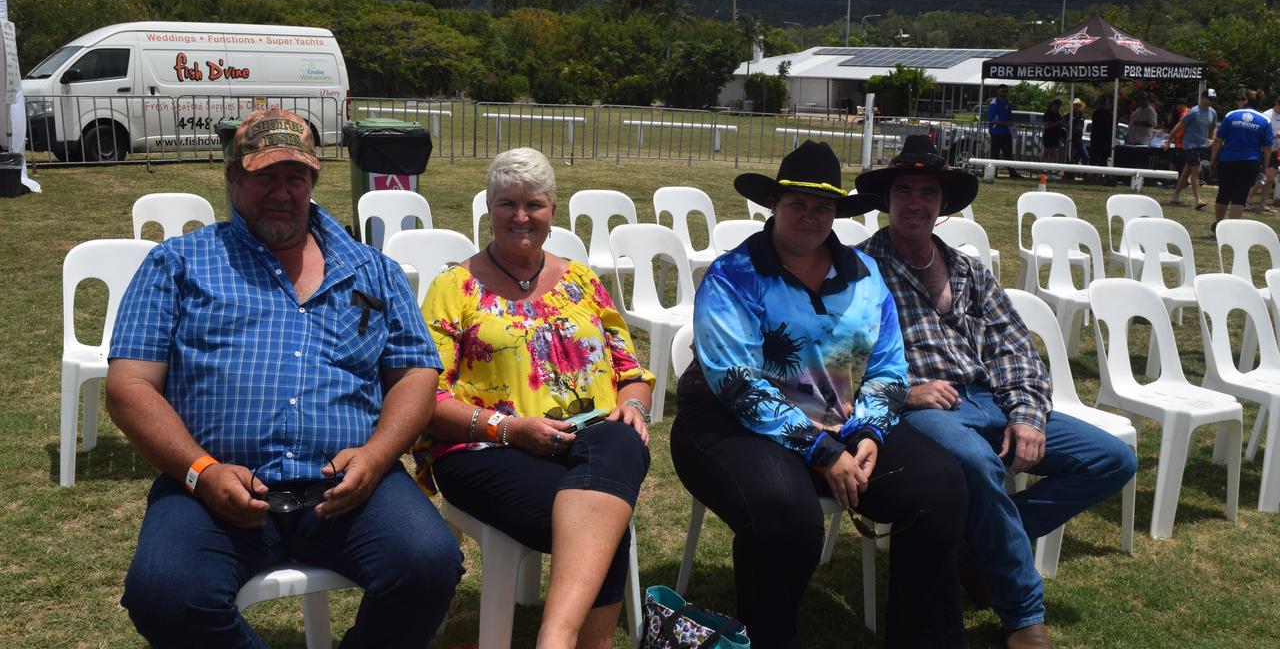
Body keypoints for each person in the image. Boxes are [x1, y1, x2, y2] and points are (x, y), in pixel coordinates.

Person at [105, 109, 463, 648]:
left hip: (348, 483)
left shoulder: (373, 270)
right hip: (216, 482)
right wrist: (200, 470)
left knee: (430, 564)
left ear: (313, 180)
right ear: (233, 178)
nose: (281, 192)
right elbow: (129, 386)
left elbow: (415, 372)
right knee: (165, 591)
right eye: (264, 176)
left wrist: (377, 456)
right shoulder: (178, 263)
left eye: (294, 177)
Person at [670, 140, 969, 649]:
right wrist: (821, 448)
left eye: (823, 207)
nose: (810, 217)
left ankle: (924, 639)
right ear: (775, 206)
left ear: (836, 212)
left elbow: (889, 366)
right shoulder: (734, 275)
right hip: (727, 422)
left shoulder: (866, 275)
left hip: (842, 418)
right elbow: (737, 383)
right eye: (798, 205)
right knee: (786, 513)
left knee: (941, 486)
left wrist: (870, 429)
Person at [857, 135, 1137, 649]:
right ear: (887, 199)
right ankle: (1024, 616)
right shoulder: (859, 270)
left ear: (942, 206)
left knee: (1112, 459)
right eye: (904, 190)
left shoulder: (967, 269)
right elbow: (841, 359)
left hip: (991, 399)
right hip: (924, 409)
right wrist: (904, 393)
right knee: (978, 465)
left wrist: (1027, 416)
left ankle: (974, 549)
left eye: (928, 192)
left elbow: (1015, 350)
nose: (915, 202)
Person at [412, 147, 653, 649]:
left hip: (588, 444)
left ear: (552, 211)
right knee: (606, 525)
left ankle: (555, 639)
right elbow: (424, 398)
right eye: (507, 204)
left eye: (534, 204)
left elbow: (633, 372)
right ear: (489, 210)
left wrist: (634, 406)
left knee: (619, 444)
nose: (521, 216)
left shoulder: (582, 281)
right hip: (483, 450)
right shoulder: (453, 288)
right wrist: (508, 428)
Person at [1209, 90, 1275, 232]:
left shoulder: (1231, 115)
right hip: (1250, 161)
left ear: (1245, 101)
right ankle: (1231, 229)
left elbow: (1218, 140)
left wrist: (1213, 158)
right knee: (1240, 195)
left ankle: (1219, 224)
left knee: (1224, 192)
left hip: (1227, 159)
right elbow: (1268, 147)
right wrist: (1265, 166)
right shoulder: (1264, 120)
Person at [1169, 91, 1217, 209]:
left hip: (1201, 146)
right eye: (1210, 99)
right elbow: (1180, 124)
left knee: (1187, 171)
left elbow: (1213, 126)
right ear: (1203, 98)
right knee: (1197, 170)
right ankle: (1198, 200)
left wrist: (1212, 138)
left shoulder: (1212, 112)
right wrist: (1169, 138)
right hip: (1190, 145)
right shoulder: (1194, 112)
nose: (1212, 101)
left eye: (1213, 99)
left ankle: (1175, 196)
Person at [1247, 91, 1278, 213]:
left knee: (1270, 179)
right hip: (1265, 150)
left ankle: (1262, 204)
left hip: (1276, 151)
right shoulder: (1267, 115)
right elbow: (1260, 134)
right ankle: (1247, 197)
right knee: (1266, 178)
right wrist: (1275, 135)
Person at [989, 84, 1021, 177]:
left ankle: (1012, 173)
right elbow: (992, 120)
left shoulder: (1007, 103)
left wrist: (1010, 124)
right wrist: (1006, 123)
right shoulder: (994, 103)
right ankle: (993, 173)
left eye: (1006, 91)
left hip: (1007, 133)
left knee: (1008, 154)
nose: (1005, 93)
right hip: (996, 133)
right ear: (998, 91)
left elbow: (1010, 119)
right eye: (1003, 91)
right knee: (994, 154)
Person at [1040, 98, 1066, 164]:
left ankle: (1049, 168)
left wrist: (1064, 123)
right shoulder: (1048, 113)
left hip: (1056, 136)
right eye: (1057, 106)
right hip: (1049, 135)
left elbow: (1060, 123)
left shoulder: (1057, 114)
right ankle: (1041, 168)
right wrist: (1058, 122)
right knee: (1046, 152)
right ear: (1053, 105)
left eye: (1059, 106)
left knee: (1053, 153)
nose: (1058, 108)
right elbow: (1047, 125)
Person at [1068, 98, 1088, 166]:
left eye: (1078, 105)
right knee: (1071, 157)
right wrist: (1068, 126)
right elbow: (1062, 122)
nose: (1076, 107)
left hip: (1079, 140)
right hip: (1072, 139)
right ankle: (1069, 173)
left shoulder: (1082, 116)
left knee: (1085, 156)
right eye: (1075, 105)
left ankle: (1083, 172)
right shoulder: (1069, 115)